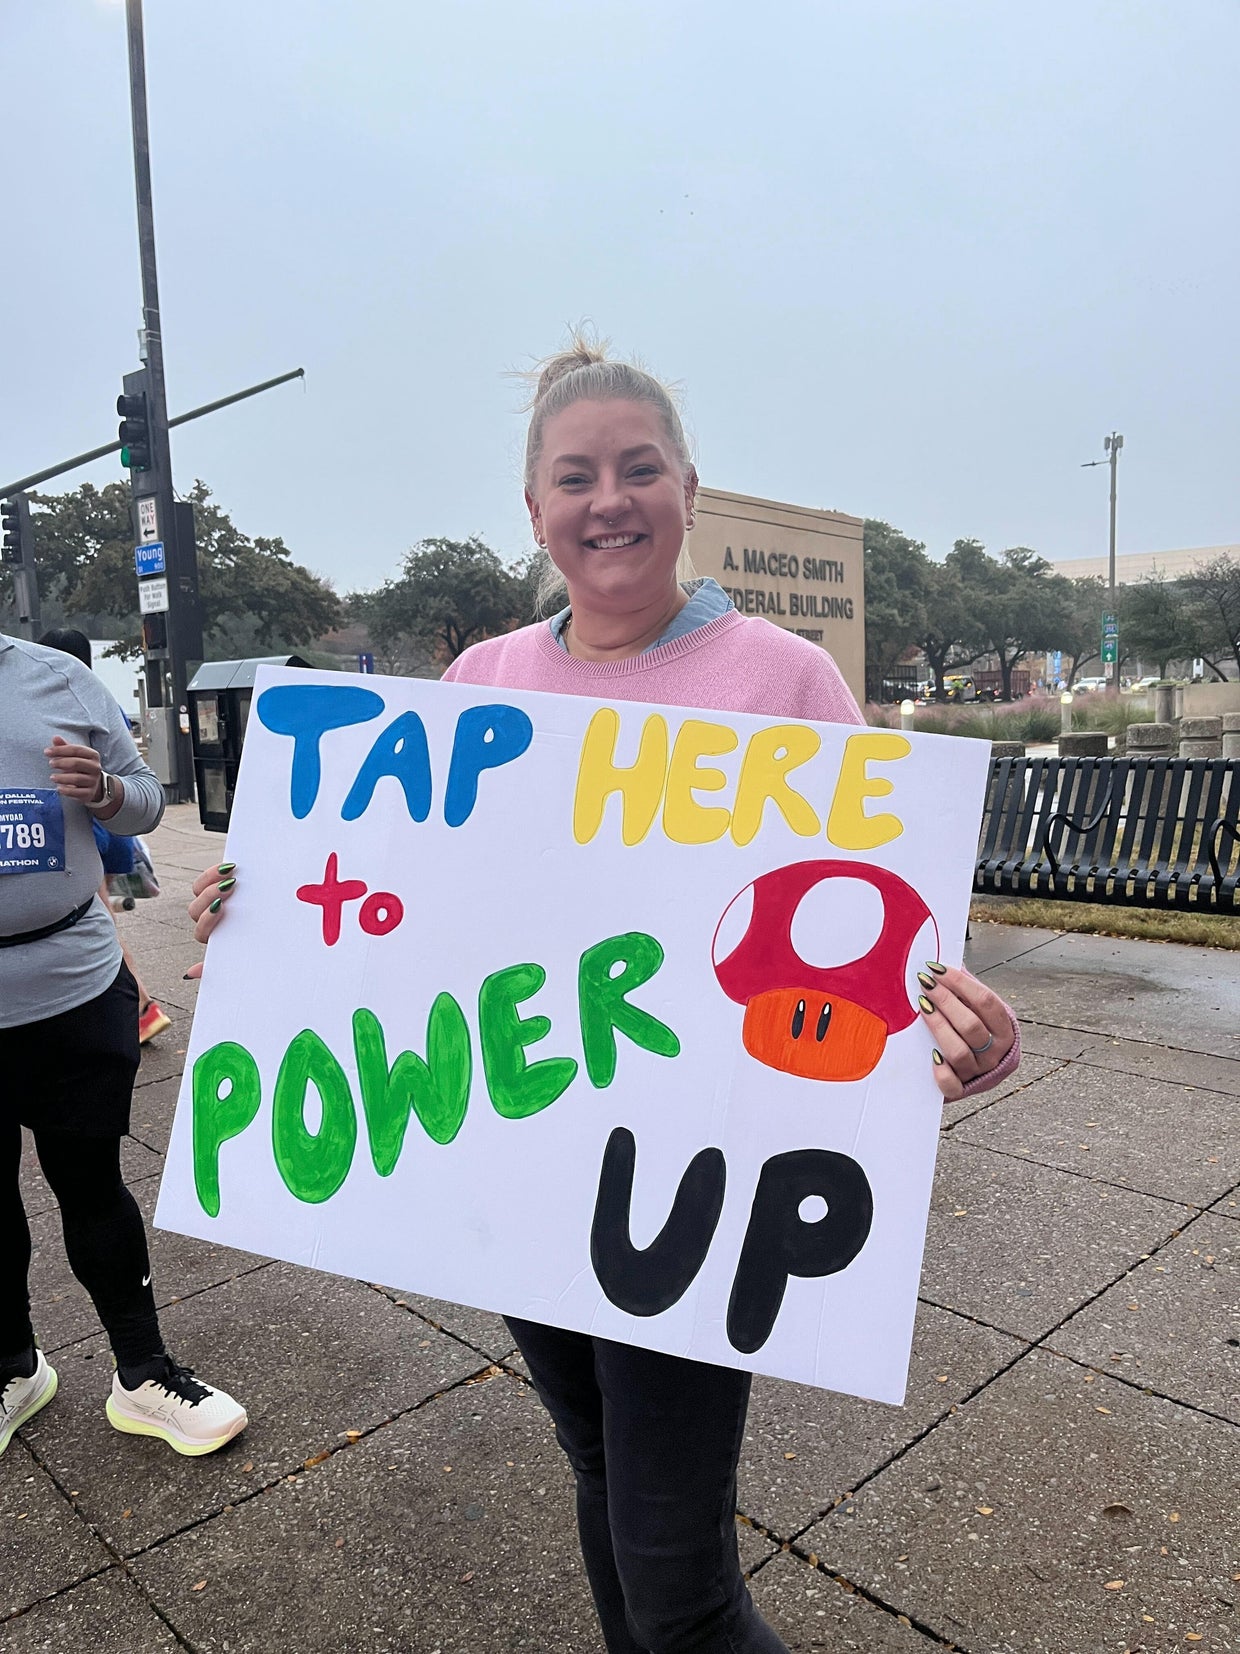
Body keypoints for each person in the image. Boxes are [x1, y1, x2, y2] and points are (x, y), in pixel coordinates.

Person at [189, 337, 1020, 1651]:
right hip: (527, 1162)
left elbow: (880, 926)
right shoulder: (481, 681)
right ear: (535, 512)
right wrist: (268, 916)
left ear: (691, 487)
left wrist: (970, 1032)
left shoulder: (782, 679)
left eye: (640, 467)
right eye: (575, 476)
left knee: (681, 1580)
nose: (608, 498)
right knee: (595, 1472)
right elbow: (402, 907)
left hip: (698, 1180)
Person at [0, 630, 246, 1459]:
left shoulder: (57, 680)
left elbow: (146, 799)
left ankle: (142, 1373)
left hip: (73, 987)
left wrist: (104, 789)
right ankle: (13, 1368)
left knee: (93, 1185)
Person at [35, 630, 171, 1044]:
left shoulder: (51, 697)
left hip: (87, 834)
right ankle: (142, 1007)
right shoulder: (95, 695)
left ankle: (142, 1007)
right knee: (103, 919)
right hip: (114, 835)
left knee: (100, 921)